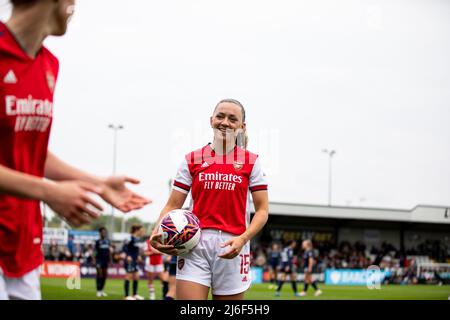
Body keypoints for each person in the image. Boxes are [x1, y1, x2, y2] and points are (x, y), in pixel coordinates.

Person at [0, 0, 150, 300]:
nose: (74, 6)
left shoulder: (48, 65)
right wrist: (49, 192)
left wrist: (98, 183)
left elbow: (28, 152)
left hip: (21, 244)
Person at [151, 99, 269, 300]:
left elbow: (262, 210)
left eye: (233, 119)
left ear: (242, 126)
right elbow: (173, 205)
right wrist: (157, 231)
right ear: (211, 120)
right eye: (220, 116)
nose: (225, 122)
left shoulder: (252, 161)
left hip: (233, 245)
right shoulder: (192, 159)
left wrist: (243, 239)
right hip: (193, 243)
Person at [122, 225, 145, 300]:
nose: (142, 232)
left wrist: (138, 256)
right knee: (128, 277)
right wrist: (128, 255)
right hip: (130, 260)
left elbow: (135, 249)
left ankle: (135, 294)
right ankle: (126, 296)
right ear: (137, 230)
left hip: (135, 260)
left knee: (137, 277)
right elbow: (124, 247)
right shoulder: (129, 237)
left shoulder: (137, 239)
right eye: (141, 230)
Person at [144, 235, 165, 300]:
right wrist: (153, 252)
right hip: (150, 262)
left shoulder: (161, 242)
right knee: (150, 279)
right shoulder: (147, 242)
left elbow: (163, 252)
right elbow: (145, 253)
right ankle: (152, 295)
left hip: (159, 262)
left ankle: (164, 294)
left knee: (163, 279)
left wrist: (155, 251)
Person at [94, 227, 112, 298]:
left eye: (105, 232)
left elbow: (109, 251)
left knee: (104, 276)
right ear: (100, 233)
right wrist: (94, 260)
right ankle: (98, 291)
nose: (104, 233)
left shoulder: (108, 241)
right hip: (99, 260)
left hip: (105, 260)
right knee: (99, 275)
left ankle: (102, 290)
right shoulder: (97, 242)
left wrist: (110, 260)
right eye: (103, 232)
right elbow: (95, 252)